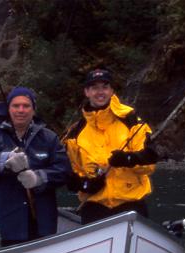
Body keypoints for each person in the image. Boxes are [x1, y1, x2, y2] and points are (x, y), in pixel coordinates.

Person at [0, 87, 71, 246]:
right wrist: (4, 159)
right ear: (8, 109)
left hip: (41, 225)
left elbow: (64, 170)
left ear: (34, 110)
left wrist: (39, 178)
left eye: (26, 106)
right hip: (1, 224)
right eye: (15, 106)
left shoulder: (49, 138)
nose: (21, 110)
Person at [64, 69, 159, 224]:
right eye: (94, 88)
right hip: (95, 206)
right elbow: (71, 175)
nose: (100, 92)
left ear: (112, 90)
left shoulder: (131, 119)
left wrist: (127, 159)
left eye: (104, 87)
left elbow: (150, 161)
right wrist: (87, 184)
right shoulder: (75, 133)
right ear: (87, 92)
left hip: (131, 203)